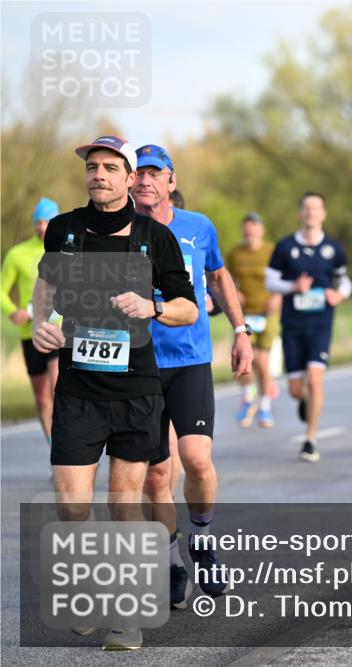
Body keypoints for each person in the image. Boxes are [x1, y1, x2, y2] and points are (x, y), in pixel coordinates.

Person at [31, 135, 198, 650]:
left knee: (124, 504)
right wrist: (40, 324)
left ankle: (127, 617)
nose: (98, 174)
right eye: (92, 167)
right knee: (72, 506)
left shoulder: (155, 237)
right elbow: (46, 288)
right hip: (78, 388)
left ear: (130, 178)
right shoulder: (63, 231)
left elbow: (188, 307)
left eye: (110, 167)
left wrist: (153, 307)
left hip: (136, 392)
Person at [131, 144, 253, 610]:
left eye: (154, 173)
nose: (145, 180)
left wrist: (240, 331)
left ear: (171, 180)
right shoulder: (118, 230)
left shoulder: (198, 227)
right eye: (138, 173)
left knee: (197, 460)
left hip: (189, 359)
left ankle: (201, 540)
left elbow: (219, 278)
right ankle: (171, 564)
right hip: (138, 364)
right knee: (155, 475)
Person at [266, 192, 352, 462]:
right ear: (300, 213)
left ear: (323, 214)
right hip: (292, 325)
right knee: (296, 390)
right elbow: (270, 281)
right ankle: (304, 400)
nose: (311, 212)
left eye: (316, 208)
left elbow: (345, 281)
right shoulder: (285, 247)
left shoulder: (334, 249)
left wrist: (339, 295)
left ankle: (310, 439)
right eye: (307, 207)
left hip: (320, 324)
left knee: (315, 380)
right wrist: (293, 286)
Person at [2, 197, 61, 445]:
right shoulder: (17, 254)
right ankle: (53, 446)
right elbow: (2, 291)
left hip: (58, 330)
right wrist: (12, 311)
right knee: (42, 396)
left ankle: (67, 444)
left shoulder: (67, 251)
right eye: (39, 222)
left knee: (58, 388)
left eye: (48, 221)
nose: (43, 227)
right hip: (30, 332)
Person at [228, 212, 281, 427]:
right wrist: (235, 292)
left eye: (254, 228)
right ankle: (248, 397)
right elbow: (226, 279)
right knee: (243, 357)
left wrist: (277, 297)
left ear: (261, 230)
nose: (250, 232)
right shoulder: (235, 254)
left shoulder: (271, 251)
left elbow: (284, 277)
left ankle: (265, 407)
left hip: (268, 312)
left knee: (261, 360)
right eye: (246, 228)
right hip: (244, 313)